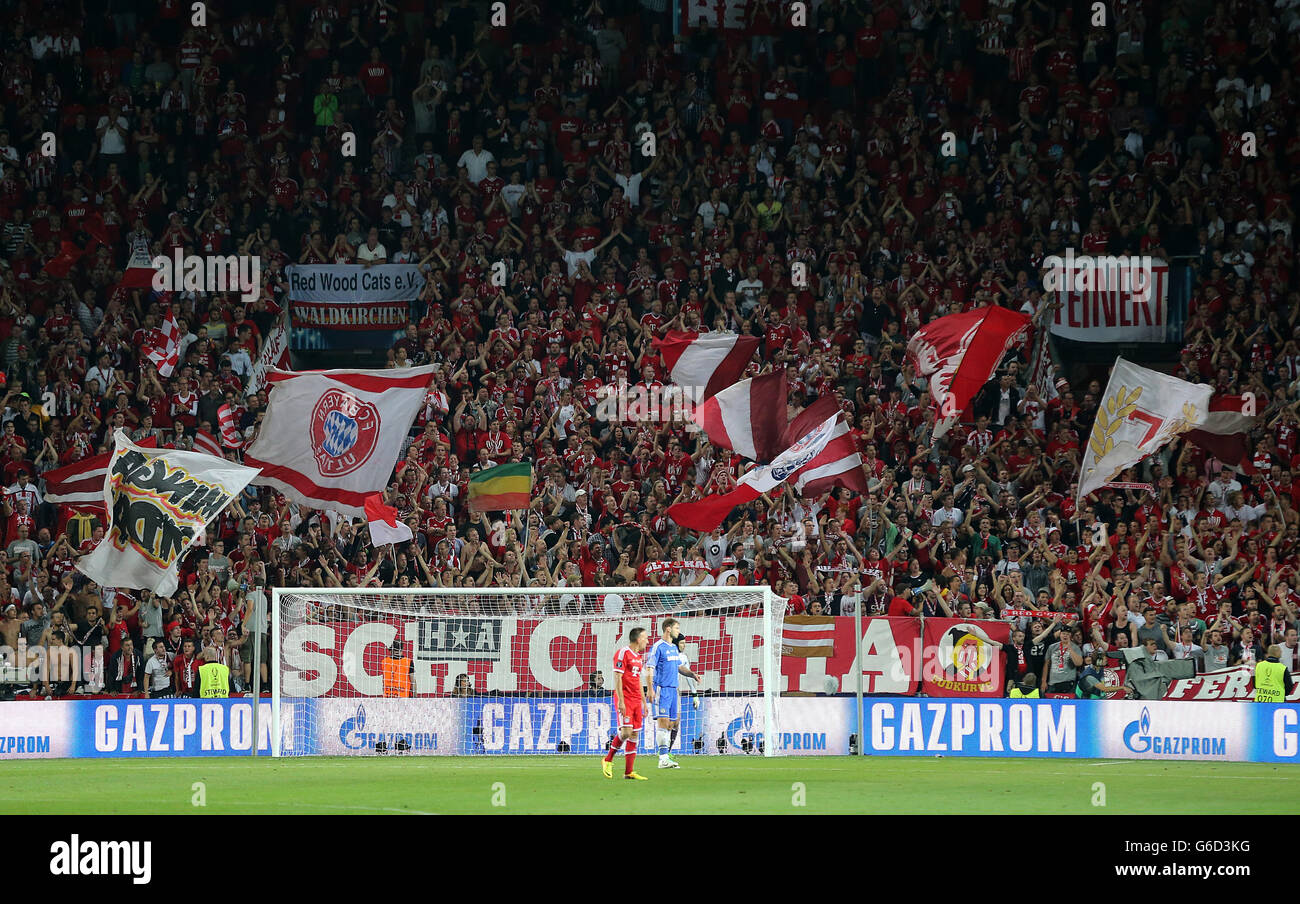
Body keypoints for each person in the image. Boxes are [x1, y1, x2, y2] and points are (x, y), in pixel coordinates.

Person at [644, 617, 702, 769]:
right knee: (663, 723)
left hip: (673, 690)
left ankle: (665, 757)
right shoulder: (658, 647)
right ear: (668, 629)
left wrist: (692, 674)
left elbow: (680, 667)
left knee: (671, 724)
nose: (679, 631)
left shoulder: (673, 649)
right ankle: (662, 758)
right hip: (662, 690)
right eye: (677, 628)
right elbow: (649, 668)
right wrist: (650, 689)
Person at [602, 626, 649, 780]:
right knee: (626, 732)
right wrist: (621, 700)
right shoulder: (623, 653)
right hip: (625, 699)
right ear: (638, 639)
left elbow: (638, 680)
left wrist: (644, 702)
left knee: (634, 734)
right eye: (645, 638)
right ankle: (607, 760)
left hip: (636, 700)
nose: (647, 641)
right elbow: (617, 677)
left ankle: (629, 772)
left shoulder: (639, 657)